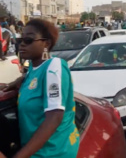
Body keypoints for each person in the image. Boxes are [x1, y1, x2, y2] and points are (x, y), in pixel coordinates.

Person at [1, 19, 79, 158]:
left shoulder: (54, 66)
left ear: (46, 43)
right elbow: (35, 80)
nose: (22, 44)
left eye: (29, 40)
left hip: (53, 152)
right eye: (21, 40)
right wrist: (18, 81)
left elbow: (54, 117)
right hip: (36, 151)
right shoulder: (32, 67)